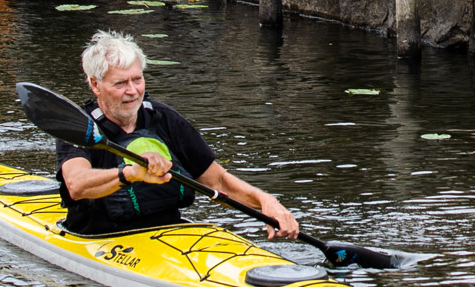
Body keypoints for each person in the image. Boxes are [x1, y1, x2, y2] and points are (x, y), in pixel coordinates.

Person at [55, 30, 299, 238]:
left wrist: (266, 202)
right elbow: (76, 184)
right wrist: (130, 173)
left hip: (168, 234)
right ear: (95, 85)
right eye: (120, 84)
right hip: (98, 238)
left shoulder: (163, 118)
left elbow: (218, 181)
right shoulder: (80, 126)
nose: (133, 91)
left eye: (137, 79)